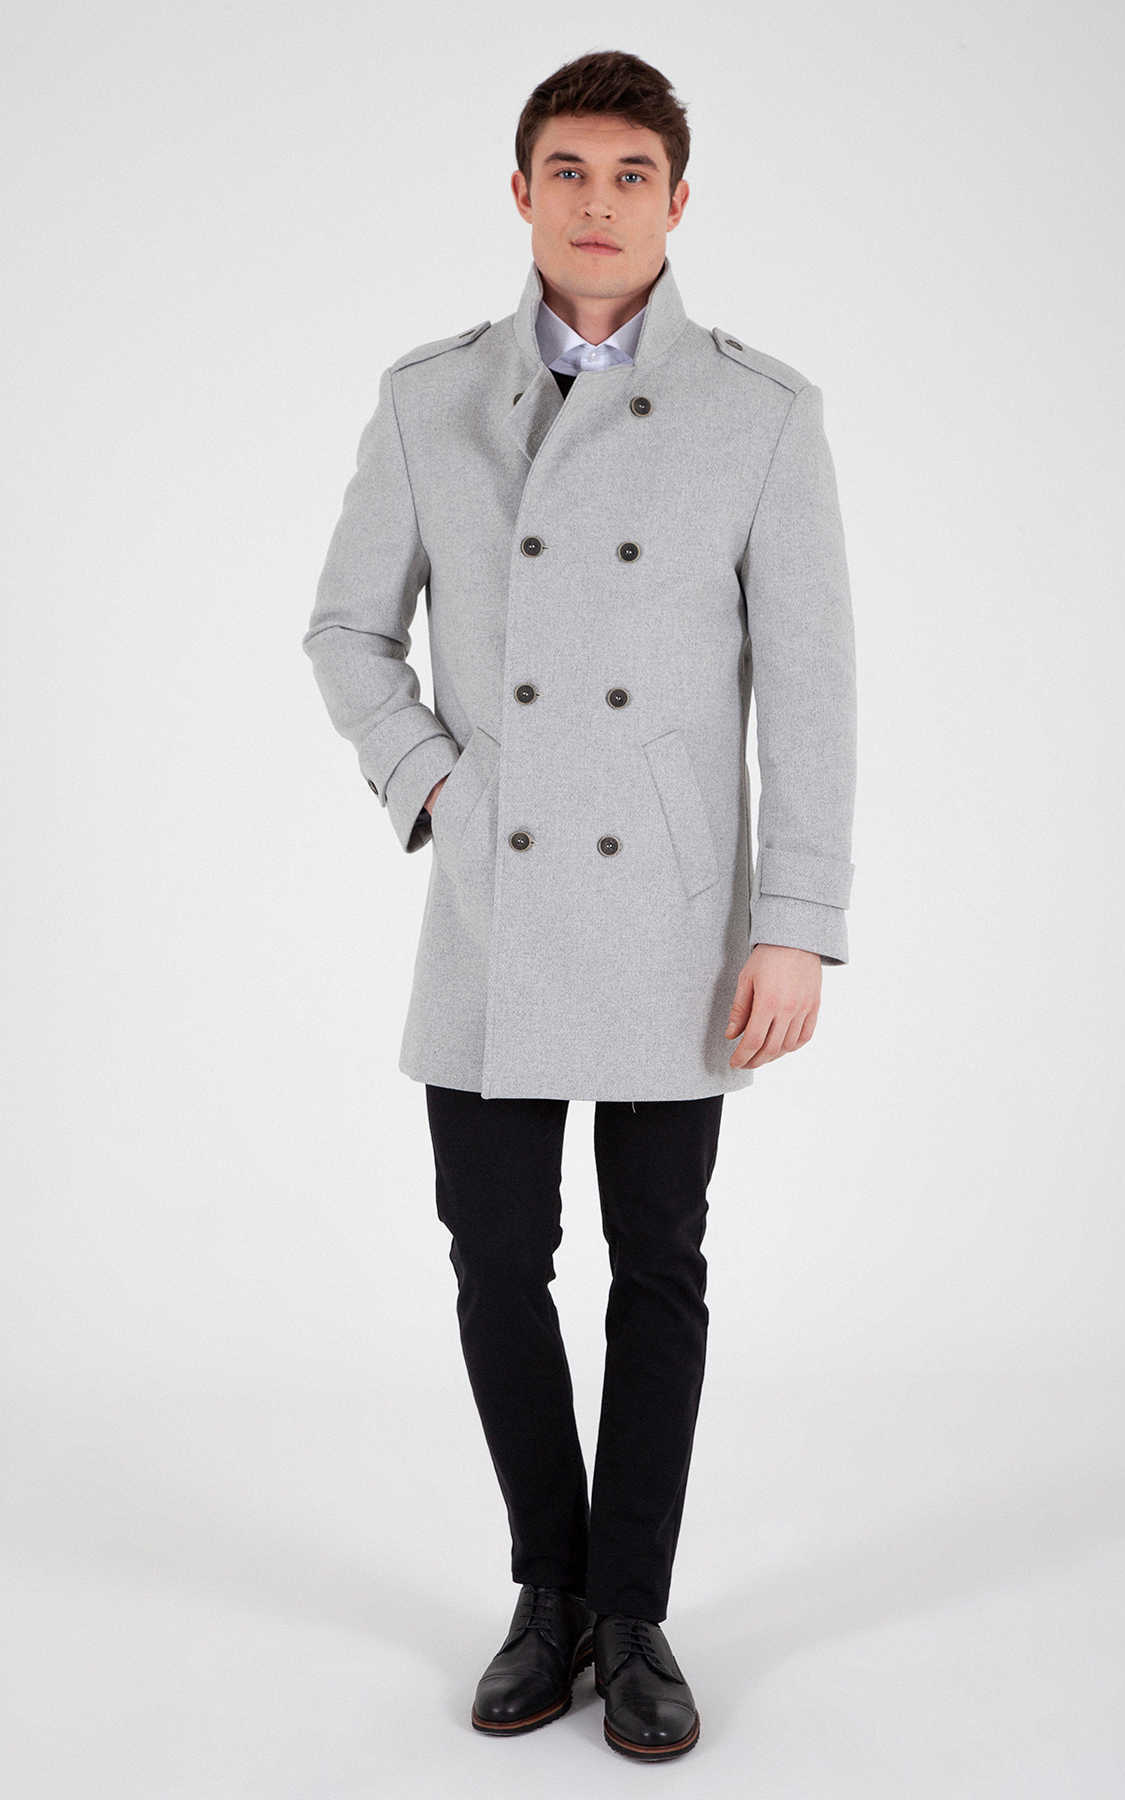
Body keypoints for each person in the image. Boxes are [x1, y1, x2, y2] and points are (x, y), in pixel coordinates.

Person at [302, 48, 857, 1762]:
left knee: (660, 1266)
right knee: (494, 1260)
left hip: (676, 917)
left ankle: (635, 1612)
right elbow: (346, 632)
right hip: (494, 902)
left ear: (677, 202)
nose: (598, 203)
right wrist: (439, 788)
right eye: (569, 170)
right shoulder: (431, 400)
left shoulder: (763, 415)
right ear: (521, 191)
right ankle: (546, 1590)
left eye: (631, 175)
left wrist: (794, 919)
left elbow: (813, 690)